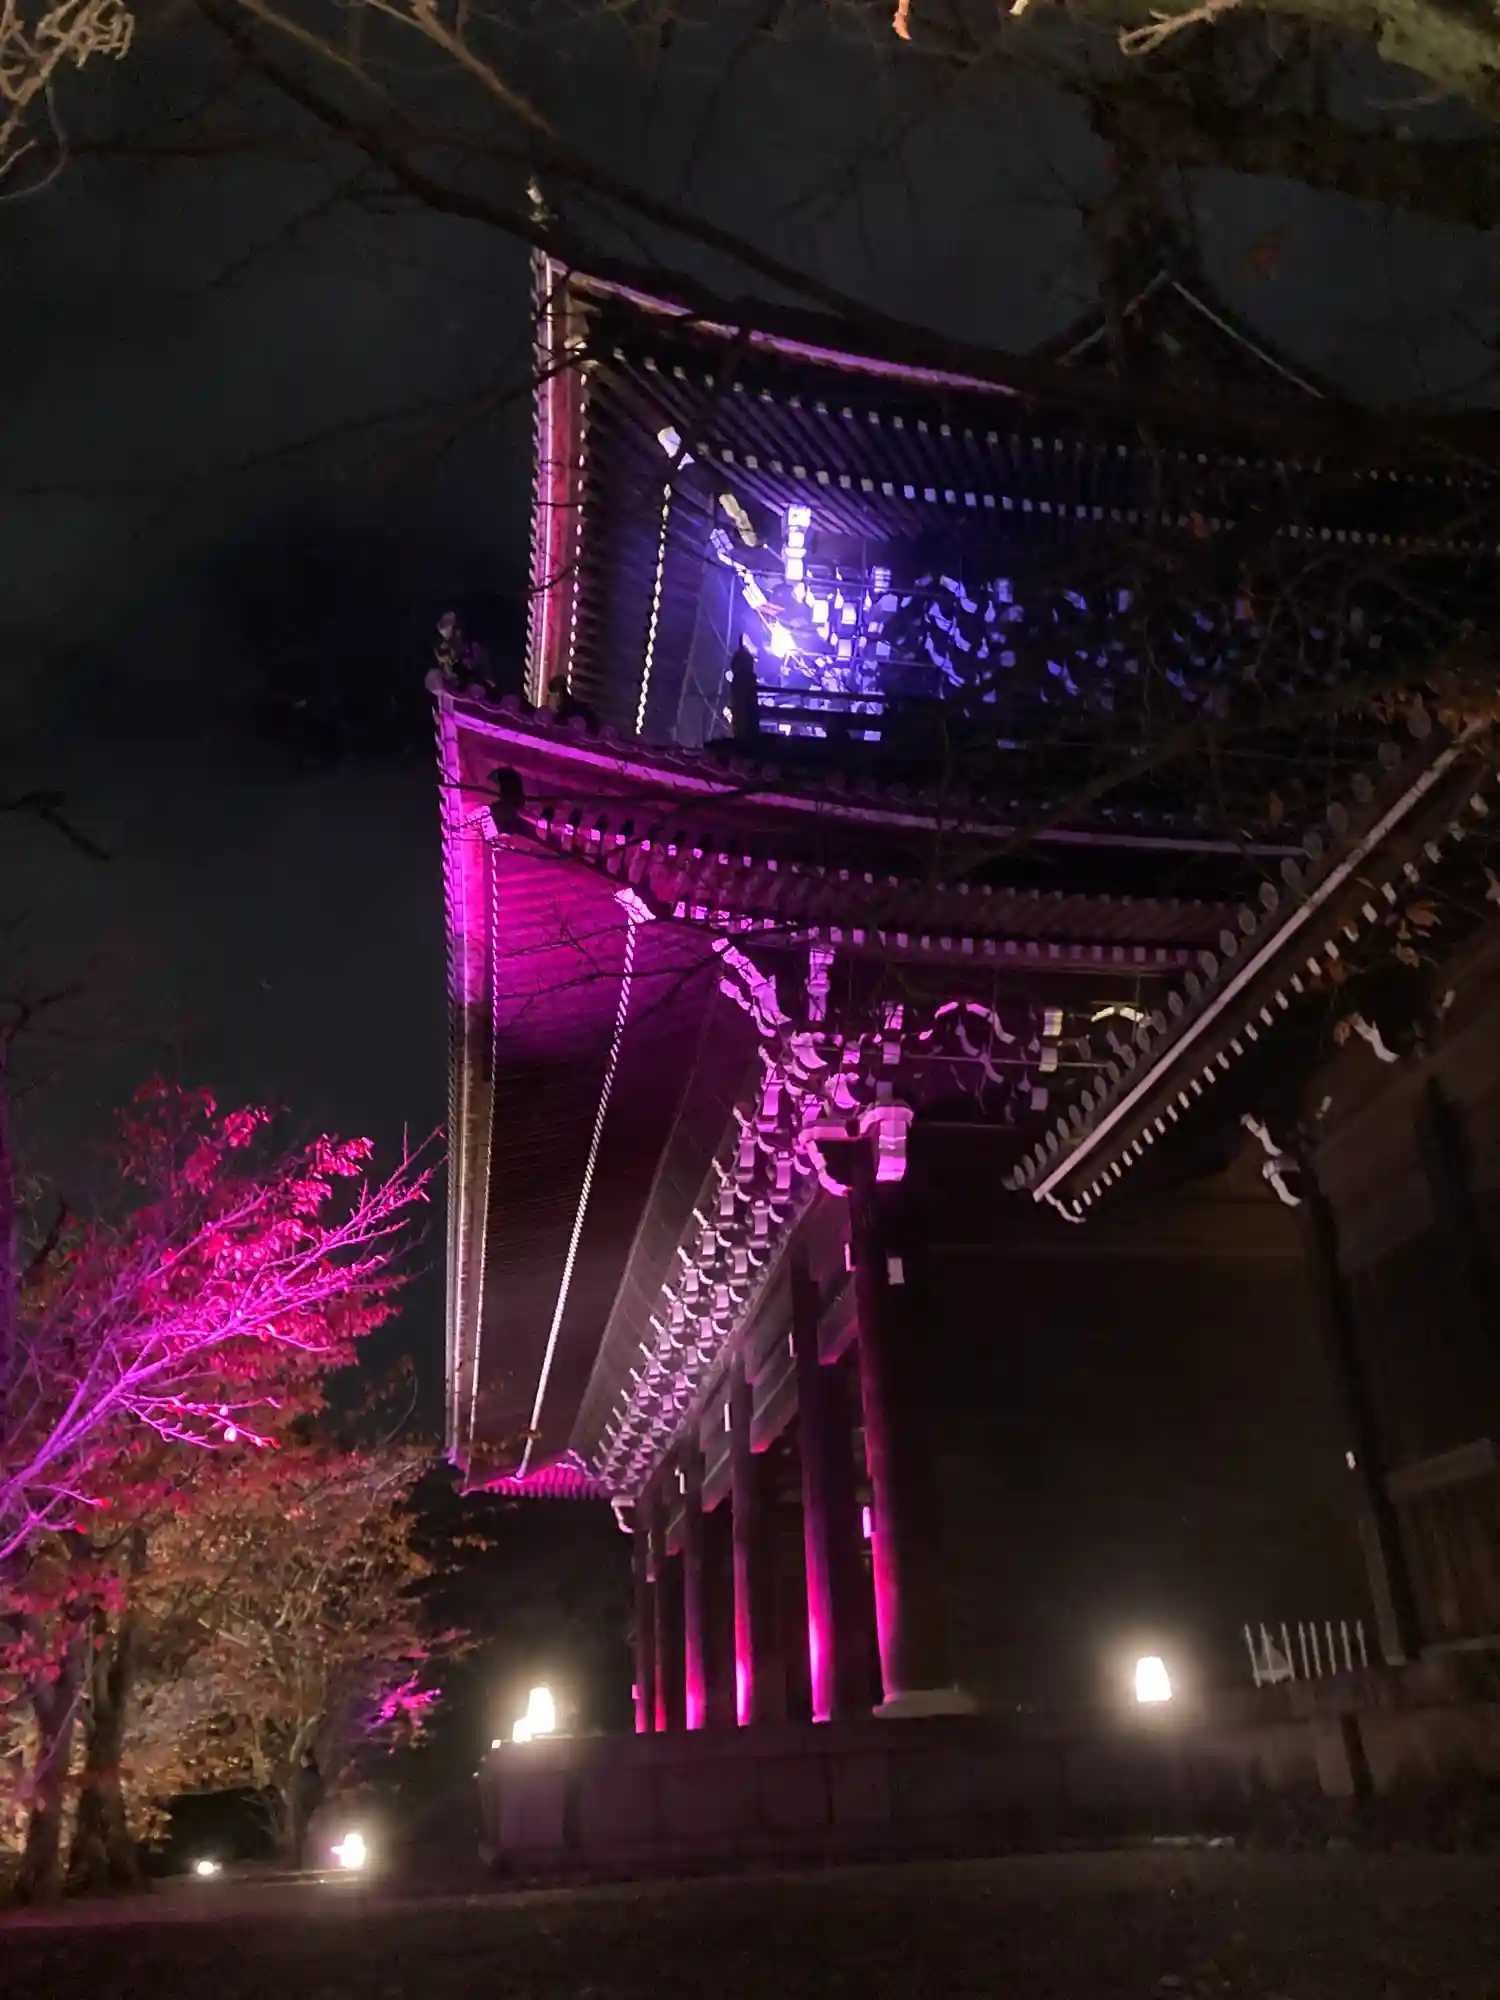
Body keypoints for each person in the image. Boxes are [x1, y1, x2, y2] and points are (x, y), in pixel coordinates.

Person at [294, 1750, 325, 1869]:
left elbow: (304, 1792)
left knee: (308, 1838)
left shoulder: (308, 1774)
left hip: (308, 1809)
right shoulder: (316, 1773)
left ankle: (307, 1864)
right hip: (312, 1809)